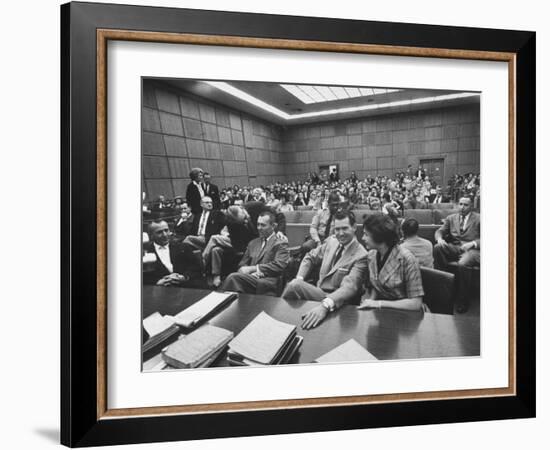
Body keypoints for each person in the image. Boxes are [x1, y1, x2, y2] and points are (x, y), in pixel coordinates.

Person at [283, 210, 368, 330]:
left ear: (354, 227)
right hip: (318, 292)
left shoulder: (361, 255)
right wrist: (300, 277)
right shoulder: (332, 241)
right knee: (296, 283)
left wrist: (325, 305)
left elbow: (350, 287)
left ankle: (280, 321)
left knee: (294, 286)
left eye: (345, 228)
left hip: (338, 302)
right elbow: (310, 257)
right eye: (337, 229)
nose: (340, 233)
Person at [358, 214, 425, 311]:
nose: (363, 238)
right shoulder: (372, 255)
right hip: (383, 313)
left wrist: (378, 303)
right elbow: (377, 286)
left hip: (407, 316)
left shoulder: (407, 259)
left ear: (379, 236)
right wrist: (370, 302)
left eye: (366, 234)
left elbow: (415, 303)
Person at [222, 211, 289, 295]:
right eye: (258, 224)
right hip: (250, 278)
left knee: (233, 278)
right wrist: (247, 271)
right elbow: (242, 264)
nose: (259, 228)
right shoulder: (253, 243)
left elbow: (279, 265)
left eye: (263, 225)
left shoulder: (280, 242)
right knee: (235, 280)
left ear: (273, 226)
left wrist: (254, 269)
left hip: (268, 282)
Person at [433, 196, 480, 312]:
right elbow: (439, 231)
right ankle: (443, 287)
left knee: (463, 264)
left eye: (466, 205)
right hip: (456, 247)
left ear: (471, 206)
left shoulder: (479, 219)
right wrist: (439, 239)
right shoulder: (451, 218)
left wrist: (473, 243)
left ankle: (463, 299)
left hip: (472, 250)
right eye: (460, 204)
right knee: (437, 248)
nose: (462, 207)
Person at [142, 220, 188, 285]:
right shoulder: (146, 253)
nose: (165, 235)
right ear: (151, 235)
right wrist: (157, 282)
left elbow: (196, 268)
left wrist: (184, 277)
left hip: (184, 288)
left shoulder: (183, 247)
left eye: (166, 230)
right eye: (159, 232)